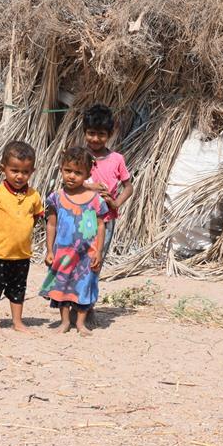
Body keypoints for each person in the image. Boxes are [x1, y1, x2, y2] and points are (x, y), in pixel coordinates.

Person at [39, 147, 109, 336]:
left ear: (87, 174)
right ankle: (64, 322)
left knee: (84, 286)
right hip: (63, 253)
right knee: (63, 286)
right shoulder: (56, 198)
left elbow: (101, 226)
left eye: (78, 173)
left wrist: (99, 251)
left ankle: (80, 323)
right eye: (68, 170)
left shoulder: (95, 200)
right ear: (61, 169)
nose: (72, 176)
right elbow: (51, 225)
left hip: (87, 255)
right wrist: (49, 250)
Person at [0, 141, 44, 335]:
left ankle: (17, 321)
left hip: (22, 255)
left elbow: (37, 217)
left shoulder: (34, 196)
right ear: (3, 169)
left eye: (25, 172)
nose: (19, 176)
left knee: (18, 288)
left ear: (32, 171)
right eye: (14, 170)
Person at [81, 104, 134, 326]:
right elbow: (69, 181)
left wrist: (115, 202)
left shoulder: (117, 159)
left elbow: (129, 187)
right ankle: (73, 305)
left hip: (106, 221)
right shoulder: (79, 156)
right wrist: (90, 187)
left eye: (101, 134)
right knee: (78, 261)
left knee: (95, 262)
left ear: (109, 134)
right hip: (81, 218)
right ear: (84, 132)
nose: (95, 139)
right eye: (91, 133)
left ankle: (88, 307)